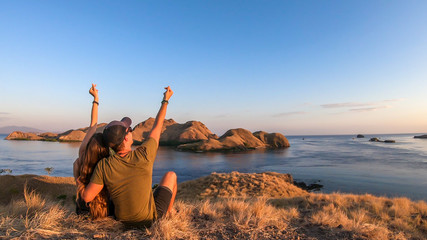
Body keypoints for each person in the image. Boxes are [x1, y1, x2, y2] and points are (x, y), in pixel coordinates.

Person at [81, 86, 177, 228]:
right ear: (126, 138)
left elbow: (86, 197)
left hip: (123, 221)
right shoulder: (144, 155)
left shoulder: (104, 165)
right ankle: (167, 214)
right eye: (130, 130)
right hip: (149, 220)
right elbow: (157, 126)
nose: (132, 131)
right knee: (171, 176)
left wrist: (79, 179)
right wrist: (165, 100)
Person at [73, 84, 111, 219]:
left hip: (83, 209)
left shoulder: (83, 154)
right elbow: (94, 125)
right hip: (105, 209)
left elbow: (93, 125)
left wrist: (96, 99)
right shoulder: (108, 163)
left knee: (77, 163)